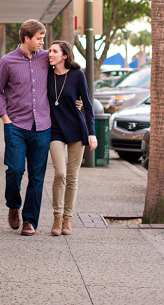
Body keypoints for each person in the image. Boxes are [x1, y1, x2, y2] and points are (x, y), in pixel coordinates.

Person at [0, 19, 50, 236]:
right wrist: (4, 117)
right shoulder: (7, 62)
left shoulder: (46, 58)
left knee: (37, 176)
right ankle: (13, 206)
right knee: (15, 170)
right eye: (39, 38)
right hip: (15, 125)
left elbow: (66, 68)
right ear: (27, 38)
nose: (42, 43)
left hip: (43, 127)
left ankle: (30, 221)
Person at [46, 40, 97, 236]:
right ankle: (57, 216)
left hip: (76, 129)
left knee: (73, 176)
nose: (50, 54)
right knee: (60, 173)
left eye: (54, 51)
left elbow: (87, 106)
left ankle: (67, 219)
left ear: (65, 56)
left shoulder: (77, 75)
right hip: (55, 130)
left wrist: (92, 133)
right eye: (50, 51)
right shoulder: (47, 74)